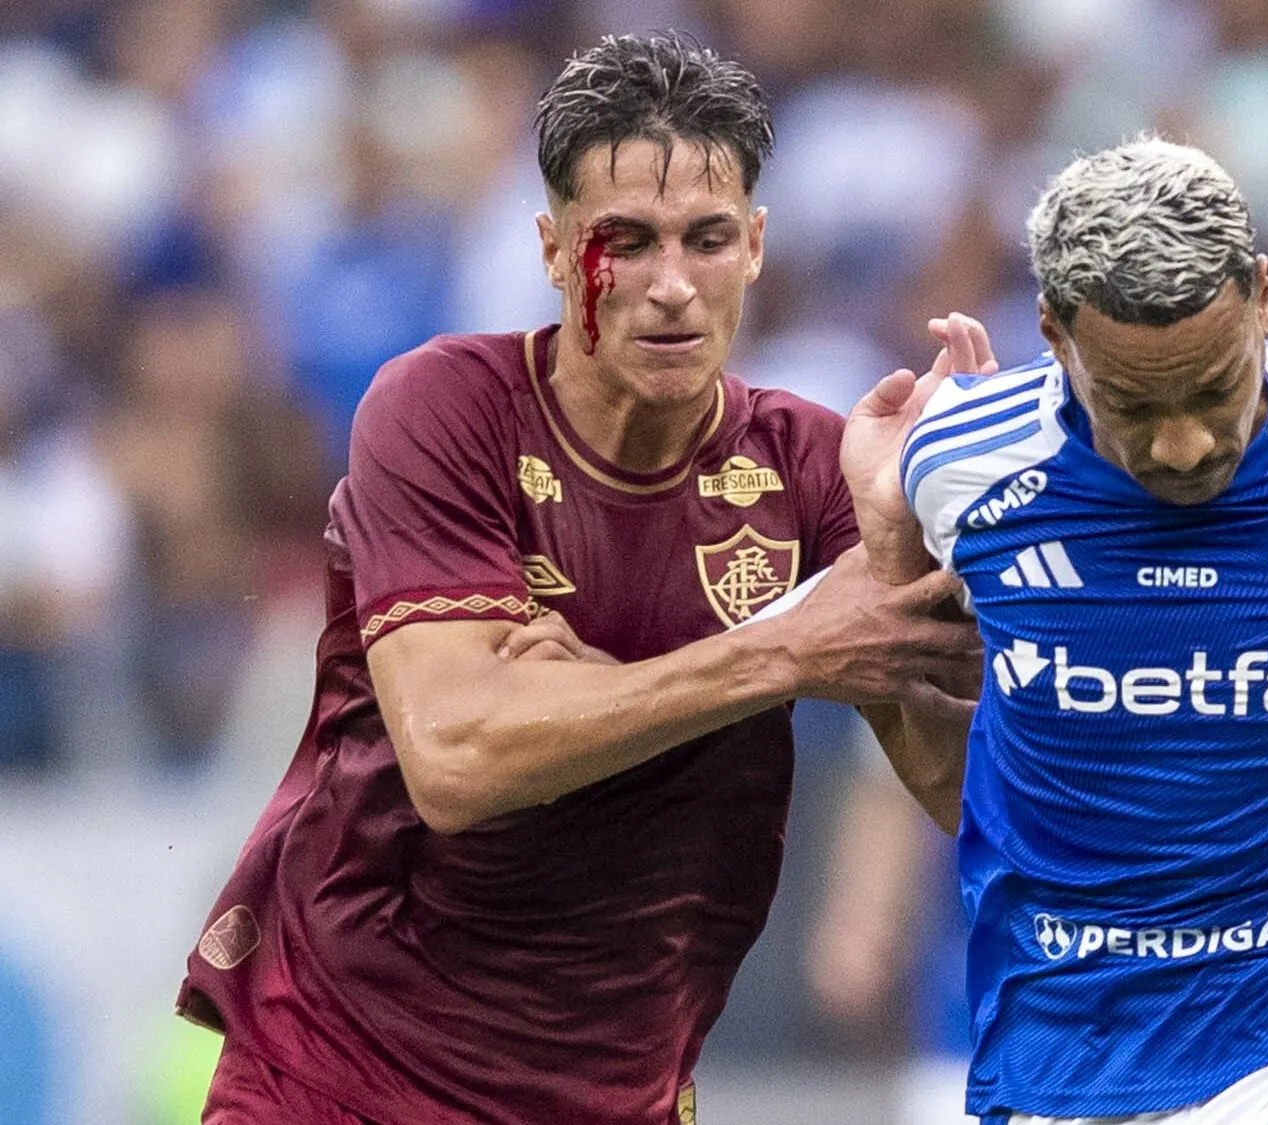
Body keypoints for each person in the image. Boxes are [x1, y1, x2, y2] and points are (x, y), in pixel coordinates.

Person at [176, 33, 982, 1125]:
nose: (670, 287)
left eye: (706, 240)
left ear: (754, 246)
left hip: (622, 1091)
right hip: (339, 1073)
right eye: (625, 242)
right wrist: (783, 652)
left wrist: (934, 541)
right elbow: (460, 757)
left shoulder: (812, 465)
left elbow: (957, 795)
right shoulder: (444, 411)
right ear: (554, 250)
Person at [841, 137, 1268, 1124]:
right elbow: (951, 789)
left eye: (1215, 389)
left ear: (1263, 299)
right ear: (1054, 335)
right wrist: (888, 544)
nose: (1182, 446)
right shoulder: (963, 467)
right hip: (1067, 1039)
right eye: (1132, 406)